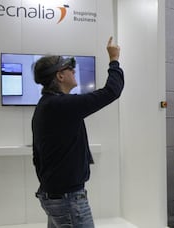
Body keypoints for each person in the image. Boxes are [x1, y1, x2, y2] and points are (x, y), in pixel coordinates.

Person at [32, 36, 124, 228]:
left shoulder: (47, 105)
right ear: (60, 76)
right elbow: (112, 91)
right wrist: (114, 59)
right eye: (69, 68)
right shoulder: (60, 105)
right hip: (67, 199)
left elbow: (37, 156)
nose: (74, 71)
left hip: (55, 195)